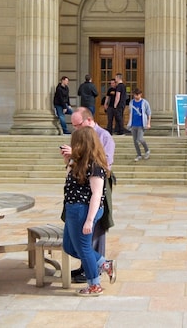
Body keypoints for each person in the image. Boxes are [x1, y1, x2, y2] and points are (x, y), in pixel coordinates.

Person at [58, 127, 116, 296]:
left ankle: (94, 285)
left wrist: (90, 220)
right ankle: (104, 264)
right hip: (73, 208)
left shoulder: (95, 165)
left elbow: (97, 194)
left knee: (83, 248)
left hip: (83, 210)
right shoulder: (79, 161)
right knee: (69, 246)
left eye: (75, 143)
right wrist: (69, 160)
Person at [127, 88, 151, 161]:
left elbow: (149, 113)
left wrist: (148, 123)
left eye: (137, 95)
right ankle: (139, 154)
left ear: (140, 94)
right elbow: (130, 112)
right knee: (135, 140)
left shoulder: (144, 102)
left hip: (141, 123)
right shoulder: (131, 102)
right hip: (134, 123)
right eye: (134, 95)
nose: (136, 96)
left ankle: (147, 150)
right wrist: (129, 123)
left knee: (140, 139)